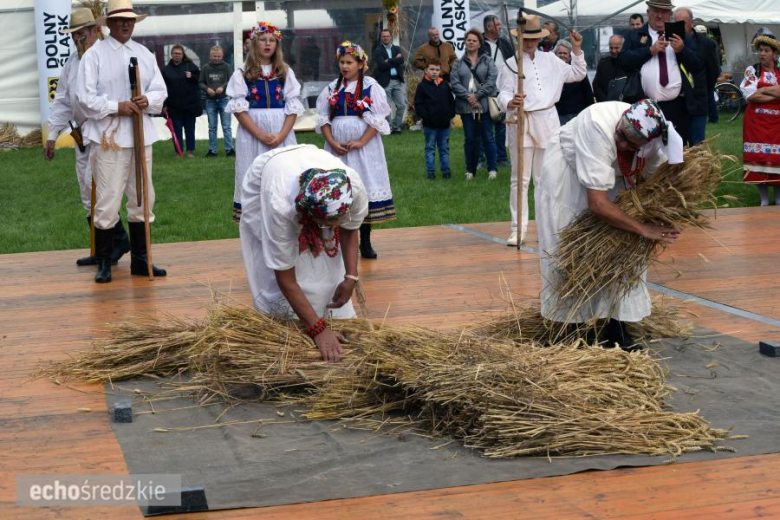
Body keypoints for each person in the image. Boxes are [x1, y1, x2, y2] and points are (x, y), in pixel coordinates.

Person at [536, 100, 684, 349]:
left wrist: (658, 215)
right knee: (572, 249)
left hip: (612, 176)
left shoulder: (652, 143)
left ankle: (617, 327)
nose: (622, 144)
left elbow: (654, 182)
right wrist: (644, 228)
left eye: (631, 144)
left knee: (624, 249)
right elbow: (597, 203)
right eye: (621, 136)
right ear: (621, 121)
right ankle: (574, 329)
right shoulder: (597, 125)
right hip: (568, 175)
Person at [239, 144, 368, 362]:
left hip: (308, 163)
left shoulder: (352, 188)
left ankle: (332, 315)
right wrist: (318, 330)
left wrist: (351, 277)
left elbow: (350, 229)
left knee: (326, 260)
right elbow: (285, 276)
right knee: (284, 262)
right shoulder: (280, 207)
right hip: (271, 173)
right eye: (327, 224)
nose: (334, 227)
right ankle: (290, 322)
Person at [76, 0, 167, 283]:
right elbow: (84, 98)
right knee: (107, 199)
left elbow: (160, 90)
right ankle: (105, 261)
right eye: (120, 20)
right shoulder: (95, 55)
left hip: (141, 135)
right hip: (109, 137)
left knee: (143, 198)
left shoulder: (144, 53)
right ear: (110, 24)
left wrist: (147, 100)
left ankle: (141, 259)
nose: (126, 25)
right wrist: (117, 106)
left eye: (130, 21)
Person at [44, 7, 130, 268]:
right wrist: (52, 135)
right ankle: (100, 247)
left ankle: (117, 242)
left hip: (106, 132)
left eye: (81, 33)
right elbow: (63, 100)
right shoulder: (72, 62)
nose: (76, 38)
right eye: (73, 34)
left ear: (95, 31)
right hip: (82, 134)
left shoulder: (107, 57)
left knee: (102, 190)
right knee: (86, 189)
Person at [497, 14, 586, 246]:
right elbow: (503, 93)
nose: (529, 43)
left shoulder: (551, 60)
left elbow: (577, 74)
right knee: (520, 179)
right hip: (522, 120)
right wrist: (510, 101)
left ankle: (547, 227)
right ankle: (518, 229)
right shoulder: (511, 64)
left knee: (545, 179)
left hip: (547, 120)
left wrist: (577, 49)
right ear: (519, 38)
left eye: (534, 38)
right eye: (525, 38)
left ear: (540, 39)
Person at [316, 41, 395, 259]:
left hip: (364, 151)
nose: (345, 66)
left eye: (349, 62)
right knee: (339, 191)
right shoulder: (332, 88)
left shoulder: (370, 86)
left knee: (363, 190)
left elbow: (378, 119)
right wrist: (332, 142)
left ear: (360, 64)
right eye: (342, 62)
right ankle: (338, 241)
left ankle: (365, 242)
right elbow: (323, 119)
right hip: (337, 151)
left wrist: (361, 141)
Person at [226, 22, 304, 223]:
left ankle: (282, 224)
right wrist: (260, 134)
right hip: (253, 134)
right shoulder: (242, 72)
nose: (268, 44)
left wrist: (281, 135)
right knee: (253, 176)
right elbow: (239, 110)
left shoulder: (284, 71)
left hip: (281, 131)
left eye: (272, 40)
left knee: (283, 176)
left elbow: (292, 107)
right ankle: (254, 226)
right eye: (263, 40)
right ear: (254, 43)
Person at [617, 0, 703, 145]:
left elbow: (698, 66)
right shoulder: (635, 35)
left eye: (664, 12)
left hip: (677, 106)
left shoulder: (680, 35)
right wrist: (650, 50)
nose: (659, 16)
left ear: (670, 15)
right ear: (648, 13)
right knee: (646, 150)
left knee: (676, 150)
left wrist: (682, 50)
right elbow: (622, 61)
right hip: (644, 106)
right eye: (655, 11)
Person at [450, 28, 498, 181]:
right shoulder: (458, 63)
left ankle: (492, 169)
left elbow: (492, 80)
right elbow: (455, 82)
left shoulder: (487, 61)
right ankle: (470, 170)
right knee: (470, 138)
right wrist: (468, 96)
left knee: (488, 137)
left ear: (479, 44)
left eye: (474, 40)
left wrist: (477, 95)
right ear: (465, 42)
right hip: (466, 106)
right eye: (468, 40)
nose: (471, 42)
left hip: (484, 105)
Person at [739, 34, 780, 206]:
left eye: (766, 50)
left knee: (777, 159)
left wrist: (763, 90)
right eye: (760, 50)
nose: (762, 53)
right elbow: (750, 96)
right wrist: (775, 92)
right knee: (758, 157)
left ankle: (778, 198)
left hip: (777, 124)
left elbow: (758, 93)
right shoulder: (753, 70)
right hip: (756, 123)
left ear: (774, 53)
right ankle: (763, 199)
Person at [675, 7, 720, 145]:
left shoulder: (706, 44)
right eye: (677, 23)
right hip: (677, 103)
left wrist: (702, 90)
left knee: (696, 144)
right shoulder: (670, 44)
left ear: (691, 22)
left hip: (697, 100)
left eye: (683, 23)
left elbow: (713, 72)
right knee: (678, 143)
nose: (680, 27)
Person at [480, 14, 514, 168]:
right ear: (489, 27)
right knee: (484, 126)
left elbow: (513, 62)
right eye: (498, 25)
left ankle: (501, 157)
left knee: (501, 126)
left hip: (502, 91)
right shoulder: (479, 43)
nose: (500, 27)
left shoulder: (505, 43)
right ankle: (481, 158)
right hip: (485, 91)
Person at [413, 58, 456, 180]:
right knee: (430, 149)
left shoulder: (445, 85)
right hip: (430, 125)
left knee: (444, 149)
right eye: (431, 69)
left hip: (444, 124)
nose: (434, 72)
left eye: (437, 70)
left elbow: (451, 101)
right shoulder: (422, 86)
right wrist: (427, 116)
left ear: (440, 71)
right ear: (426, 70)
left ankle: (446, 171)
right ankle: (431, 172)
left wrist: (450, 115)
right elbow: (418, 104)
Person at [162, 44, 202, 158]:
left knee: (190, 129)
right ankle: (178, 152)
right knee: (176, 129)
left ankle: (190, 151)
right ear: (171, 54)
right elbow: (162, 88)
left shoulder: (191, 66)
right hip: (173, 106)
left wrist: (192, 76)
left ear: (183, 54)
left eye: (179, 53)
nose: (177, 55)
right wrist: (164, 105)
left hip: (190, 104)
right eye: (175, 53)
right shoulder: (166, 70)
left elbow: (200, 80)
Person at [199, 45, 234, 158]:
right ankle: (212, 150)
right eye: (214, 56)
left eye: (219, 56)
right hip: (210, 101)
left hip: (224, 99)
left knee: (226, 126)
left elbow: (232, 80)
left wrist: (223, 87)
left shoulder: (227, 67)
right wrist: (207, 89)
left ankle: (229, 149)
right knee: (212, 127)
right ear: (210, 56)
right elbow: (200, 82)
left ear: (222, 56)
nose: (216, 58)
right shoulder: (205, 68)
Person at [372, 29, 407, 134]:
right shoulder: (378, 50)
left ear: (391, 37)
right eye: (383, 36)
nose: (385, 38)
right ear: (381, 38)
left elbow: (401, 60)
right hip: (385, 82)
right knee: (387, 107)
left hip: (397, 81)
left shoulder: (397, 48)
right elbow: (382, 65)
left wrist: (389, 60)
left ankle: (396, 127)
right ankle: (388, 128)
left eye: (387, 36)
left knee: (402, 105)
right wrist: (395, 60)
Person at [554, 40, 594, 125]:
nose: (562, 55)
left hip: (577, 113)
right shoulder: (551, 70)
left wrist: (591, 110)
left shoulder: (577, 71)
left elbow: (588, 92)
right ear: (555, 54)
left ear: (570, 56)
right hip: (558, 114)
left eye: (565, 53)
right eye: (560, 53)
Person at [592, 35, 625, 102]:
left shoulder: (629, 64)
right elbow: (596, 84)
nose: (613, 51)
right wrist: (605, 101)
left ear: (623, 47)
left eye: (616, 48)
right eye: (611, 47)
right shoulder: (603, 63)